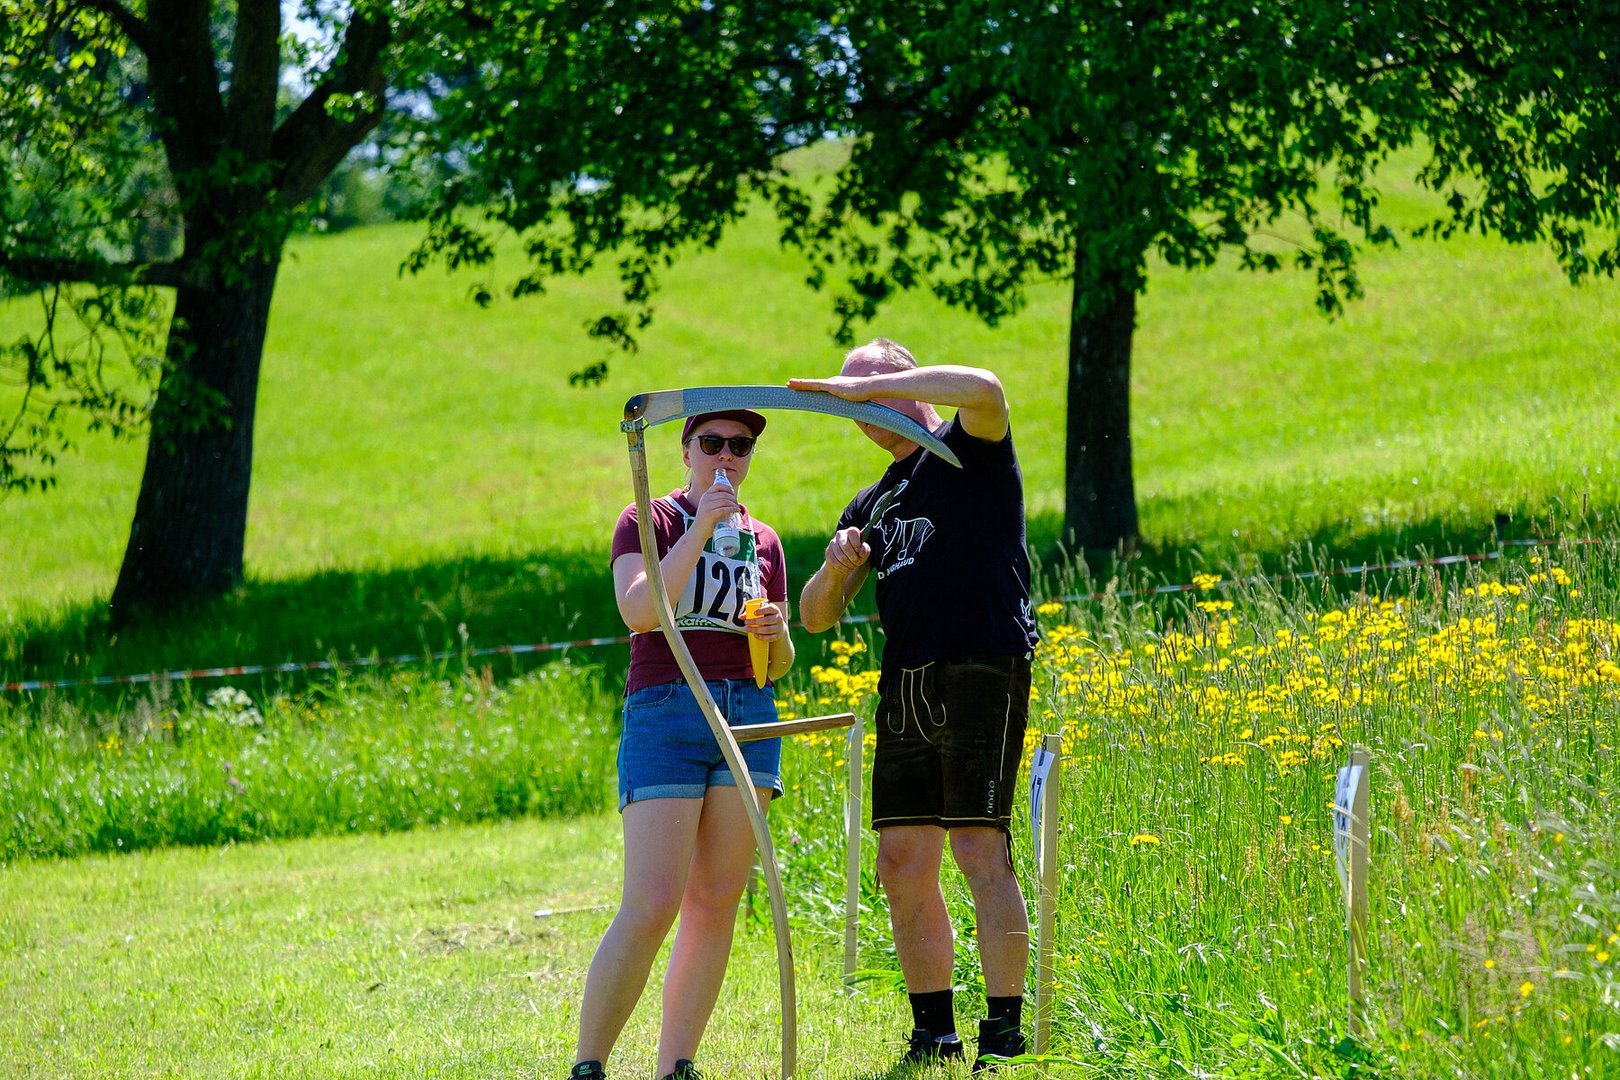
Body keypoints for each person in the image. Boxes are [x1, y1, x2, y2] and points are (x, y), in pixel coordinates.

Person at [790, 339, 1039, 1072]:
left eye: (873, 393)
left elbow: (986, 384)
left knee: (978, 848)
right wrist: (835, 569)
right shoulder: (872, 502)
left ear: (913, 381)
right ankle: (935, 1032)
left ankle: (1004, 1034)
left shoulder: (970, 446)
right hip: (904, 681)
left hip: (982, 663)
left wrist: (866, 386)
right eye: (852, 404)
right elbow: (814, 617)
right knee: (901, 860)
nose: (862, 413)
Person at [572, 409, 795, 1080]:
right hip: (668, 707)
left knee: (716, 900)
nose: (727, 456)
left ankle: (677, 1064)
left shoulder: (764, 540)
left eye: (741, 446)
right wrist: (700, 530)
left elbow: (778, 664)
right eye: (713, 443)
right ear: (687, 450)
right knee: (651, 903)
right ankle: (589, 1064)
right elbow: (641, 611)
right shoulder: (649, 520)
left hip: (747, 712)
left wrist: (776, 632)